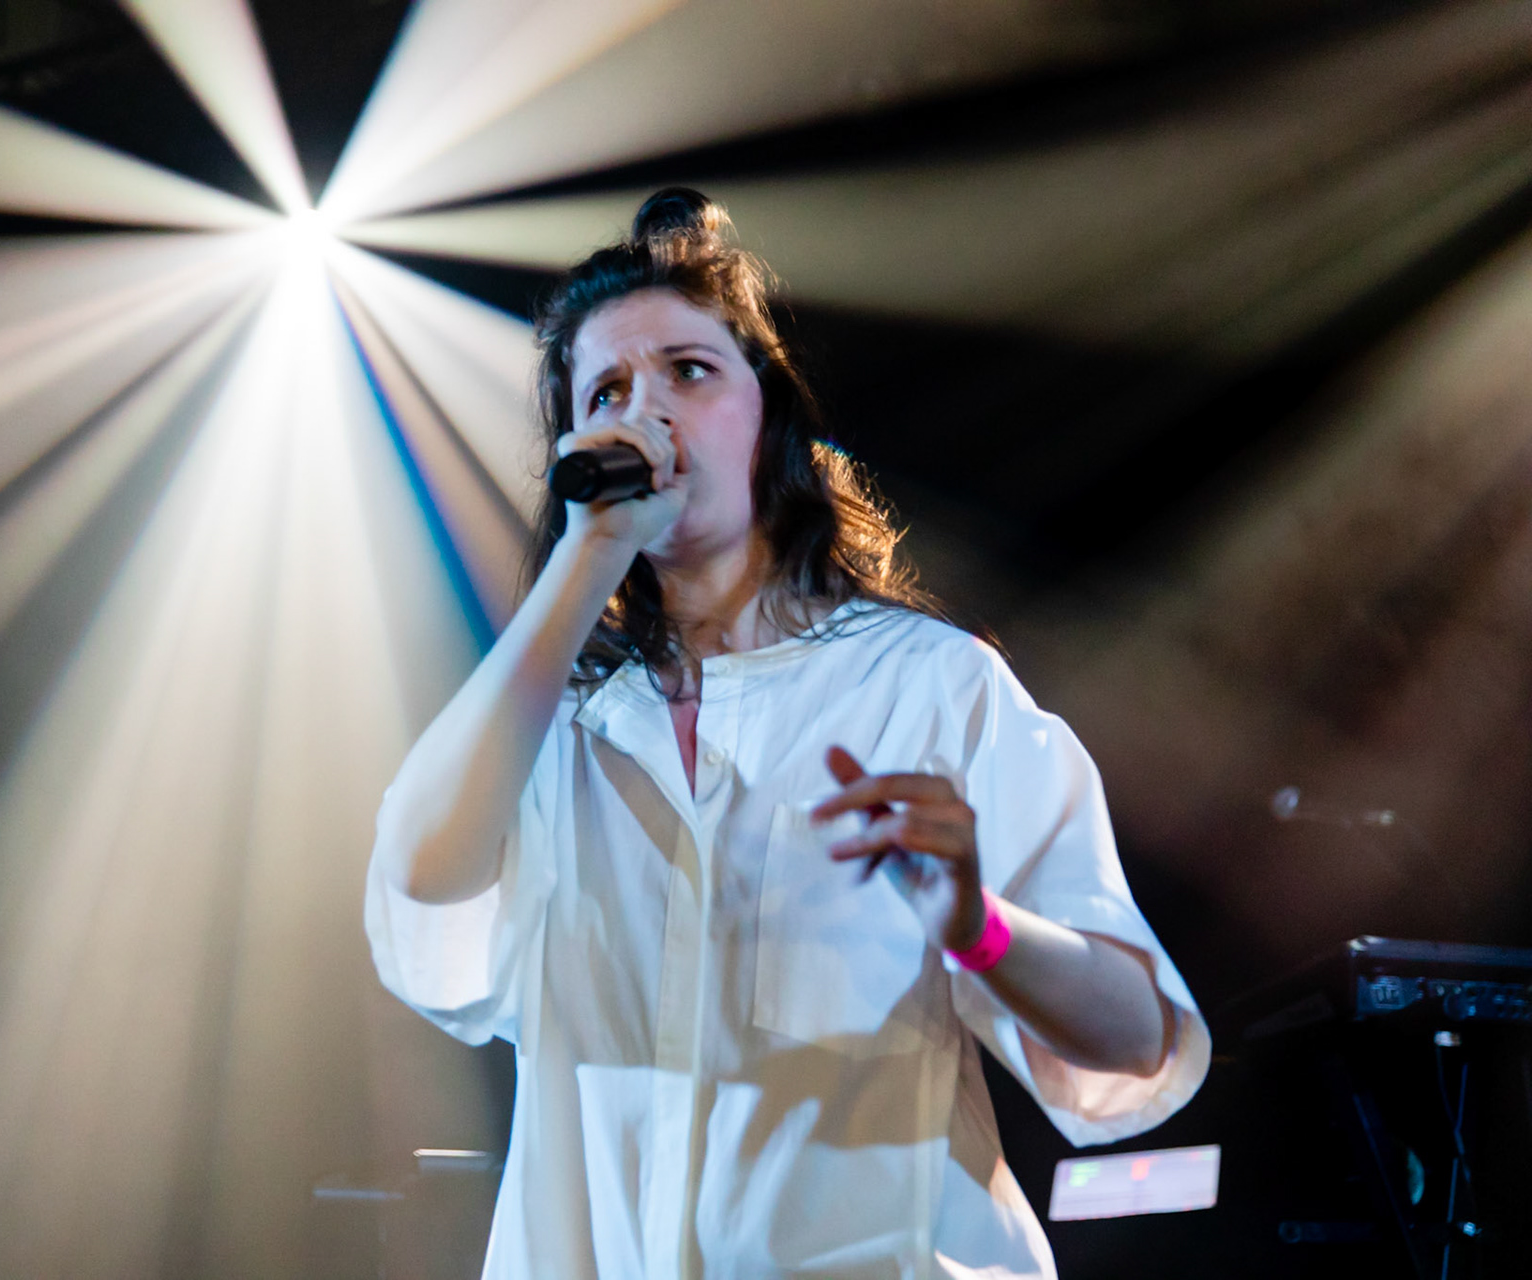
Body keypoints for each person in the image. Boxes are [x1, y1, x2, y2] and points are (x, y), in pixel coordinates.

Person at [365, 188, 1209, 1278]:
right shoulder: (552, 721)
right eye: (609, 389)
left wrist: (977, 921)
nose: (648, 411)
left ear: (769, 418)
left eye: (689, 370)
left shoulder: (930, 685)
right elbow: (422, 869)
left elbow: (1136, 1038)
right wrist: (592, 554)